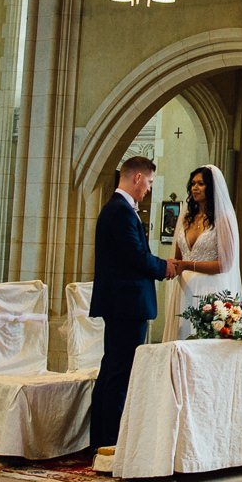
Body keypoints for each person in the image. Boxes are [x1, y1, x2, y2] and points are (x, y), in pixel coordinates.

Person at [87, 156, 180, 455]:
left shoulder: (118, 210)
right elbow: (136, 256)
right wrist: (164, 267)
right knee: (119, 372)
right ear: (138, 178)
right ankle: (110, 442)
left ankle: (102, 439)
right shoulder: (120, 212)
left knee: (112, 368)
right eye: (150, 183)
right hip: (126, 304)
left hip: (121, 303)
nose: (148, 190)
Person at [172, 165, 242, 320]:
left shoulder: (223, 220)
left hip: (209, 291)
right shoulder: (186, 218)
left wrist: (188, 265)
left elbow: (225, 264)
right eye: (193, 184)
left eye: (201, 184)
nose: (195, 188)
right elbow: (179, 257)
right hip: (184, 289)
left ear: (211, 187)